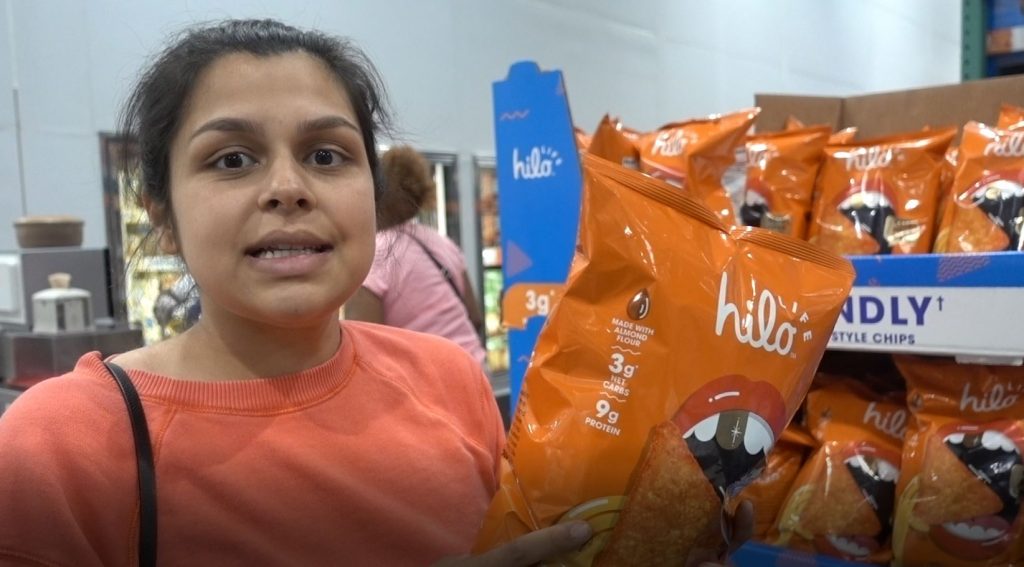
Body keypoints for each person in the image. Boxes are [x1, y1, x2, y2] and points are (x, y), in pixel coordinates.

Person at [0, 18, 748, 567]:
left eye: (327, 154)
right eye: (231, 160)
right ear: (160, 211)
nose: (288, 188)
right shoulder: (60, 446)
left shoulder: (446, 379)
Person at [344, 146, 487, 369]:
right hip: (472, 369)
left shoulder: (374, 254)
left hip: (426, 383)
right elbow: (475, 318)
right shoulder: (441, 242)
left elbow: (365, 348)